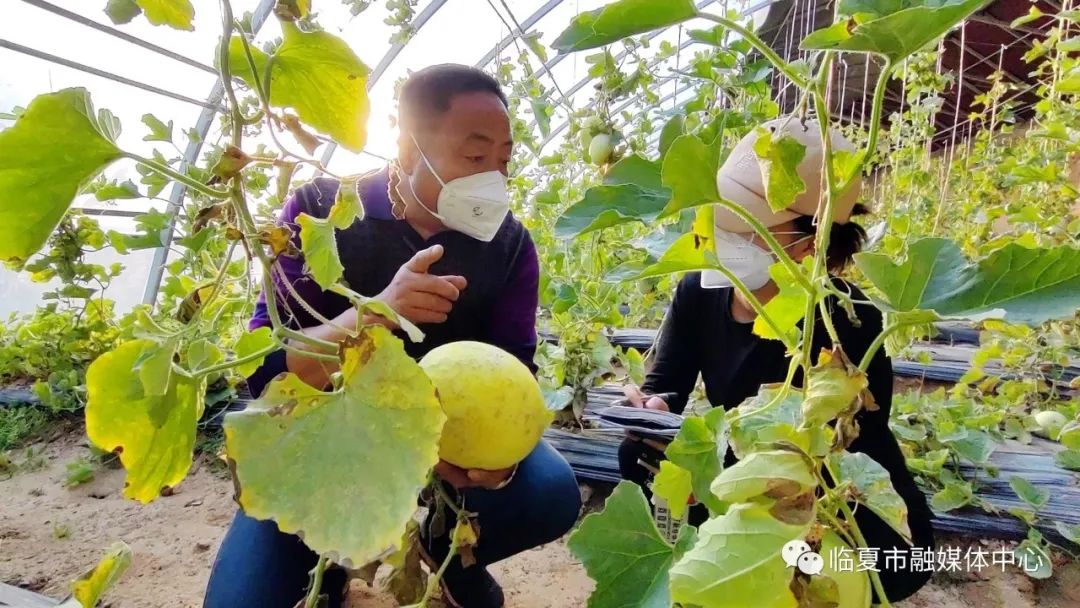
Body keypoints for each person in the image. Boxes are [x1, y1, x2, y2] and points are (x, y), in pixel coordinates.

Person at [204, 64, 582, 608]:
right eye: (475, 158)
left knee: (547, 492)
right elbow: (266, 371)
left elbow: (514, 371)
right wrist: (374, 314)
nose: (492, 179)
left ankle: (447, 555)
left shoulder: (510, 244)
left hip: (442, 442)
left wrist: (494, 462)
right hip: (320, 442)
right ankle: (332, 562)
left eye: (503, 160)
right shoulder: (318, 210)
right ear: (407, 150)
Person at [618, 118, 935, 602]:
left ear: (809, 241)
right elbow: (667, 384)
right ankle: (718, 562)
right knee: (637, 455)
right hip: (741, 461)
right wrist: (654, 409)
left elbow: (854, 441)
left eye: (741, 224)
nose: (719, 232)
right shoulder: (699, 290)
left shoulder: (846, 318)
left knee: (906, 560)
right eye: (717, 215)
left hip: (828, 481)